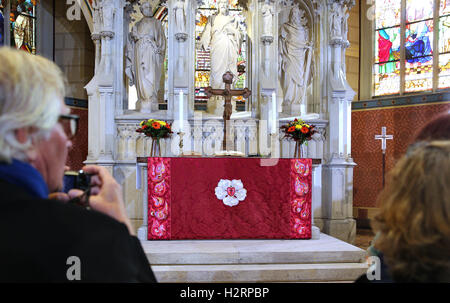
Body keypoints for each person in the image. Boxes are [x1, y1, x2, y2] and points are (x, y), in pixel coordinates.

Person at [0, 47, 156, 282]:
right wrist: (120, 225)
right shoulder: (87, 238)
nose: (69, 142)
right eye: (63, 122)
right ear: (25, 135)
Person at [125, 2, 166, 113]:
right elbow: (132, 40)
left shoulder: (156, 23)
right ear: (141, 11)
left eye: (149, 7)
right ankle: (142, 97)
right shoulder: (137, 25)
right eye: (145, 8)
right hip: (139, 50)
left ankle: (150, 98)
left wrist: (159, 48)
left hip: (151, 50)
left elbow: (161, 38)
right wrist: (133, 36)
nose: (148, 9)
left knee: (150, 74)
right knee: (141, 73)